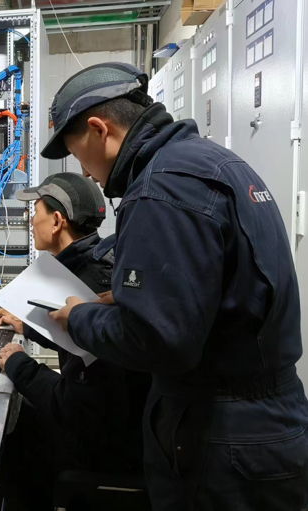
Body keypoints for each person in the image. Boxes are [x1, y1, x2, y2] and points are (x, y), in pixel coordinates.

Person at [42, 63, 308, 511]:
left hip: (222, 439)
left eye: (78, 156)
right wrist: (127, 300)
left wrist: (81, 317)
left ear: (98, 129)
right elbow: (210, 297)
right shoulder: (211, 162)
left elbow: (160, 342)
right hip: (266, 424)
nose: (86, 175)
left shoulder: (159, 191)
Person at [0, 172, 149, 511]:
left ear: (58, 221)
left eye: (35, 210)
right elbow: (86, 347)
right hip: (123, 433)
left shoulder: (84, 284)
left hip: (103, 451)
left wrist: (19, 364)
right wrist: (29, 326)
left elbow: (78, 408)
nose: (31, 220)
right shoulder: (96, 265)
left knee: (8, 445)